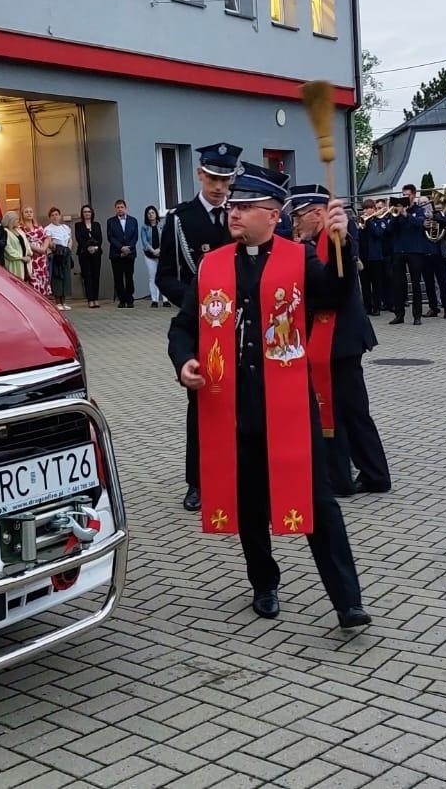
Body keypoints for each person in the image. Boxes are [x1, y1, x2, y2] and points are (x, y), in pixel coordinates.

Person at [166, 164, 370, 629]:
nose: (232, 213)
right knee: (251, 504)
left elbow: (335, 293)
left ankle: (347, 600)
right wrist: (184, 363)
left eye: (244, 207)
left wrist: (343, 241)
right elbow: (182, 328)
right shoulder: (213, 264)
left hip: (289, 408)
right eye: (231, 206)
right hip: (233, 407)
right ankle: (264, 582)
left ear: (274, 214)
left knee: (320, 503)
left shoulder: (299, 259)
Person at [290, 186, 392, 499]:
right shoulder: (313, 242)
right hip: (331, 338)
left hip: (341, 338)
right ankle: (352, 475)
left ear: (317, 214)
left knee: (350, 410)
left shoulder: (336, 239)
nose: (294, 223)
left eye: (298, 215)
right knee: (343, 409)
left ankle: (372, 474)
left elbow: (336, 283)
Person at [158, 143, 239, 512]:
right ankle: (199, 482)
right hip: (205, 323)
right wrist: (198, 301)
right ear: (200, 175)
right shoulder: (180, 219)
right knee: (201, 405)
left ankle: (241, 474)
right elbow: (166, 277)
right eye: (213, 178)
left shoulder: (241, 213)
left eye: (226, 179)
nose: (220, 187)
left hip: (242, 321)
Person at [387, 185, 434, 325]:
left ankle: (417, 316)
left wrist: (406, 215)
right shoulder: (396, 211)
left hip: (415, 251)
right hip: (399, 251)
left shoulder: (419, 211)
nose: (405, 197)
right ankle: (399, 314)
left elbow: (420, 224)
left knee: (415, 284)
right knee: (398, 284)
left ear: (414, 195)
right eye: (403, 194)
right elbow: (389, 230)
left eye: (407, 194)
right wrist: (396, 216)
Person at [107, 199, 140, 308]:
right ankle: (122, 300)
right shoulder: (110, 221)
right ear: (115, 209)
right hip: (116, 254)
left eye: (122, 207)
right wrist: (121, 248)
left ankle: (130, 299)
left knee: (129, 277)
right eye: (118, 207)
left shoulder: (133, 220)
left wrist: (128, 248)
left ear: (126, 208)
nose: (120, 209)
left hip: (130, 253)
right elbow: (110, 237)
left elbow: (135, 236)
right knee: (118, 277)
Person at [43, 207, 74, 310]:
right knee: (57, 278)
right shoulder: (48, 229)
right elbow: (49, 241)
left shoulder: (65, 227)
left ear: (60, 216)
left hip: (65, 254)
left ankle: (64, 301)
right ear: (50, 217)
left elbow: (70, 240)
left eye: (56, 214)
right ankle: (57, 302)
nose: (55, 217)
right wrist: (56, 248)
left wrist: (68, 249)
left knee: (65, 277)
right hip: (56, 255)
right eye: (52, 215)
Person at [75, 204, 104, 309]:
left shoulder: (96, 224)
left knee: (96, 275)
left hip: (96, 253)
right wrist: (88, 247)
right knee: (87, 276)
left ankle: (96, 299)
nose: (87, 213)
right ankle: (90, 300)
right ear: (82, 214)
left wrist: (95, 248)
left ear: (92, 213)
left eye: (89, 212)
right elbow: (79, 238)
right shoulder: (78, 225)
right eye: (85, 212)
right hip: (84, 253)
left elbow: (100, 238)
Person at [21, 205, 52, 298]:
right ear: (22, 215)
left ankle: (44, 298)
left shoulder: (38, 227)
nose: (29, 213)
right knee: (33, 278)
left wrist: (43, 248)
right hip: (31, 257)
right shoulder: (21, 228)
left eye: (31, 211)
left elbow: (46, 238)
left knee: (43, 276)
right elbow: (24, 241)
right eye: (26, 212)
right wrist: (38, 249)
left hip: (41, 258)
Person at [142, 205, 165, 308]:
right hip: (149, 255)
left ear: (156, 214)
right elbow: (144, 242)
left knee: (163, 276)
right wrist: (153, 251)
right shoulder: (144, 227)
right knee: (152, 277)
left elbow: (165, 239)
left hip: (162, 254)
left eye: (152, 213)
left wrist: (159, 249)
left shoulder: (162, 225)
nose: (151, 215)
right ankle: (154, 300)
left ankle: (165, 299)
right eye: (148, 213)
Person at [2, 210, 29, 281]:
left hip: (25, 262)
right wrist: (21, 257)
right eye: (17, 219)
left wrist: (29, 254)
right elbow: (7, 248)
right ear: (11, 220)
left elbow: (26, 243)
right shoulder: (5, 232)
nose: (18, 221)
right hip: (15, 262)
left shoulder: (19, 230)